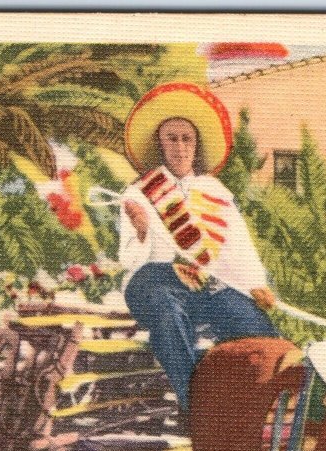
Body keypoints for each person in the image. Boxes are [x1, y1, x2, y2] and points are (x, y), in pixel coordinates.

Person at [119, 82, 278, 414]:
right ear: (159, 145)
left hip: (205, 287)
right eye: (171, 139)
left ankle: (264, 409)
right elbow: (128, 259)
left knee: (254, 324)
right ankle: (194, 402)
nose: (180, 147)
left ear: (196, 145)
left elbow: (239, 247)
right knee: (166, 307)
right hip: (154, 282)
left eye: (186, 139)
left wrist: (255, 285)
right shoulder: (138, 193)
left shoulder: (216, 191)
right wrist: (143, 231)